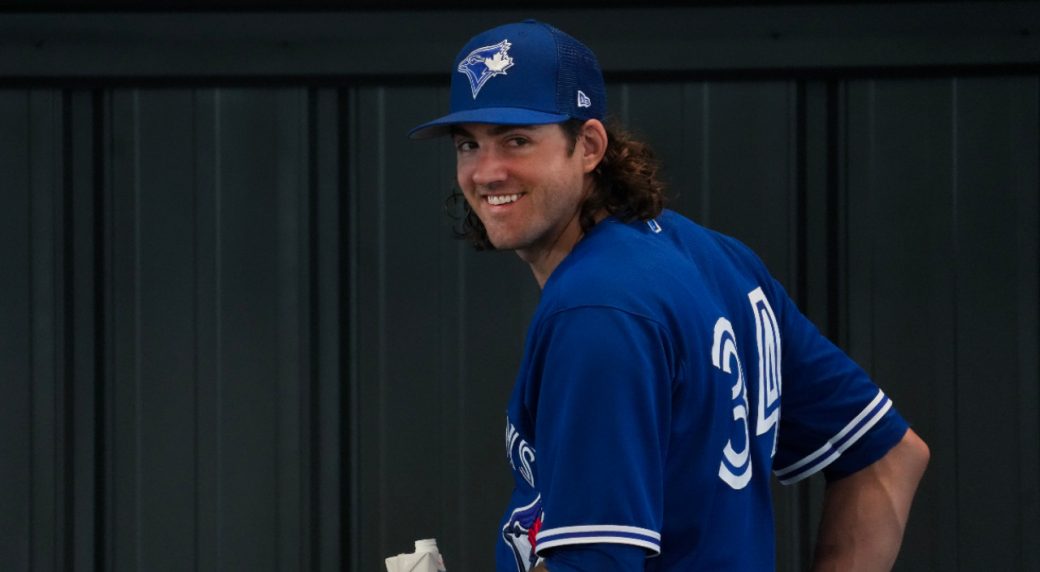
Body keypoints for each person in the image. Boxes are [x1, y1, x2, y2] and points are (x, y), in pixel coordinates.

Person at [410, 19, 929, 572]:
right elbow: (889, 457)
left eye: (517, 140)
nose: (487, 171)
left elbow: (596, 562)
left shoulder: (596, 308)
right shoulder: (717, 260)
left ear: (588, 146)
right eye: (470, 144)